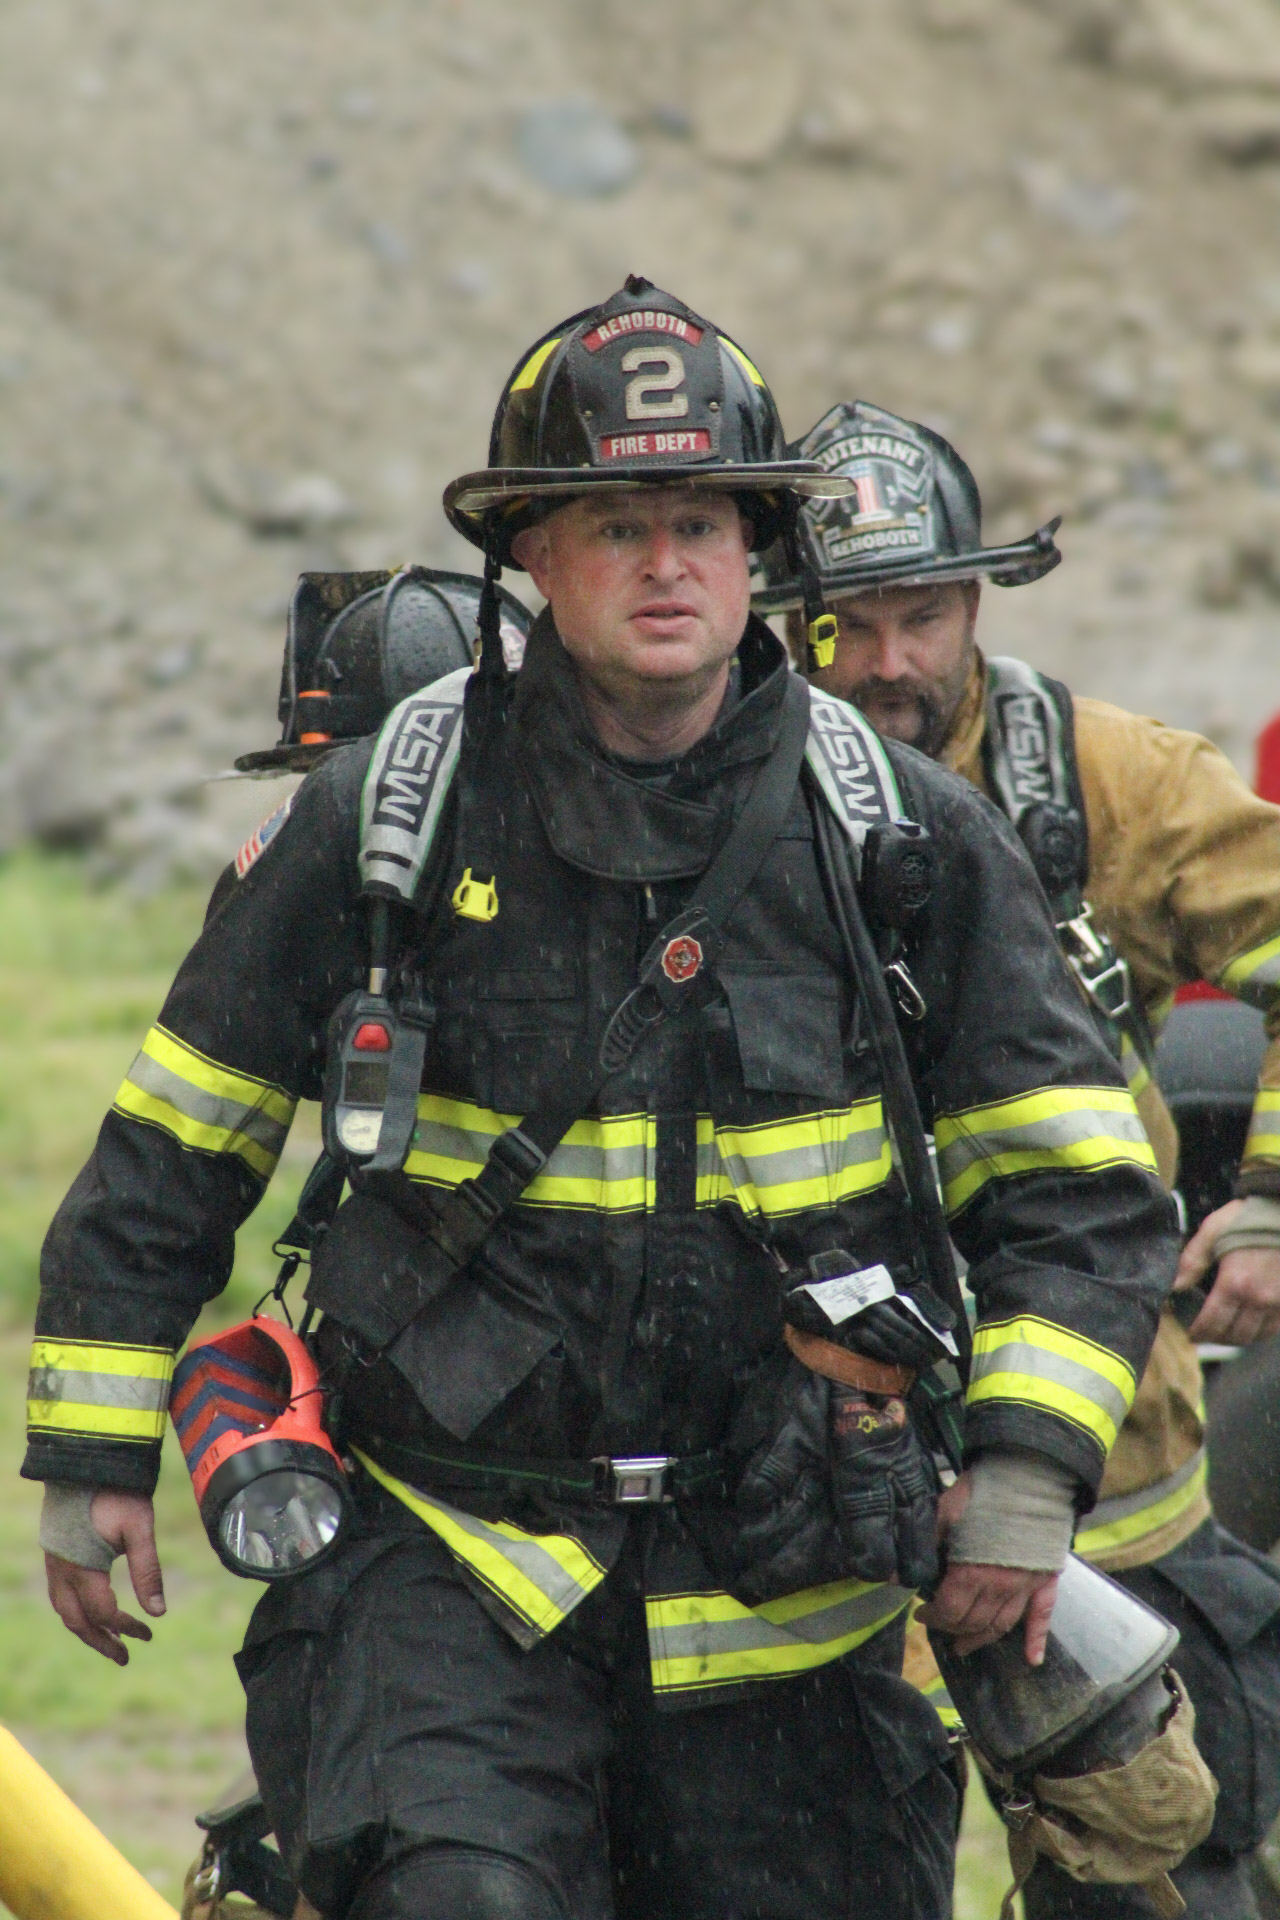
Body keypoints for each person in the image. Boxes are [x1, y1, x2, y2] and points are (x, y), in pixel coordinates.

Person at [26, 286, 1177, 1920]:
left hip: (792, 1592)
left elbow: (1080, 1186)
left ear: (758, 555)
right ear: (537, 561)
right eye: (616, 523)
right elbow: (177, 1138)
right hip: (454, 1562)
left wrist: (1021, 1479)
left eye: (699, 519)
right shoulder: (390, 817)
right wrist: (93, 1452)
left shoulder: (897, 837)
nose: (663, 564)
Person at [763, 397, 1280, 1920]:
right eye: (839, 628)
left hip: (1113, 1465)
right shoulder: (717, 794)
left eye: (921, 615)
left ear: (977, 598)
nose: (887, 664)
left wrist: (1263, 1199)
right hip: (820, 1483)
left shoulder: (1103, 785)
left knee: (1171, 1866)